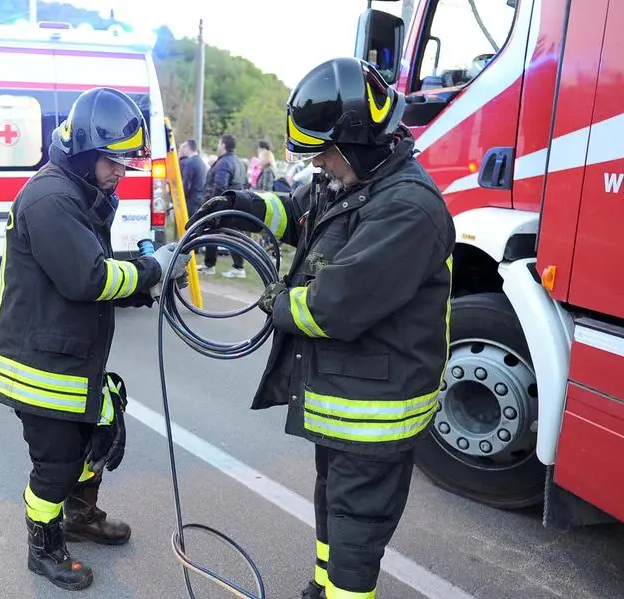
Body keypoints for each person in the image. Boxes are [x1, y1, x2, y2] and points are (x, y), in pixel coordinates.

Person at [187, 57, 455, 599]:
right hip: (343, 400)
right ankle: (323, 584)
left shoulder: (408, 210)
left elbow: (334, 307)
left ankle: (342, 590)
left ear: (357, 141)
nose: (321, 165)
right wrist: (239, 206)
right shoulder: (356, 183)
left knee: (356, 532)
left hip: (374, 413)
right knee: (333, 505)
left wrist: (272, 300)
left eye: (325, 153)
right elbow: (296, 212)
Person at [0, 87, 189, 591]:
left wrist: (144, 285)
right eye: (113, 162)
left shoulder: (81, 194)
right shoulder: (51, 198)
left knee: (97, 433)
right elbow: (88, 278)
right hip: (38, 366)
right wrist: (149, 269)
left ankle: (81, 515)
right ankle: (44, 547)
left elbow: (89, 272)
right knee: (55, 465)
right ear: (84, 152)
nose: (120, 173)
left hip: (70, 357)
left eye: (125, 164)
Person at [197, 133, 248, 278]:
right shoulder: (238, 162)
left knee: (216, 234)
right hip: (237, 203)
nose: (218, 146)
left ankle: (228, 267)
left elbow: (220, 186)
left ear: (224, 145)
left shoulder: (224, 163)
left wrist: (212, 205)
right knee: (232, 235)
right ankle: (213, 265)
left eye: (219, 143)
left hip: (223, 205)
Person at [179, 138, 207, 218]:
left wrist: (182, 197)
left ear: (188, 147)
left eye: (184, 147)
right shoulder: (201, 162)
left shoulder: (190, 163)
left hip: (191, 199)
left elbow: (186, 184)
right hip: (200, 198)